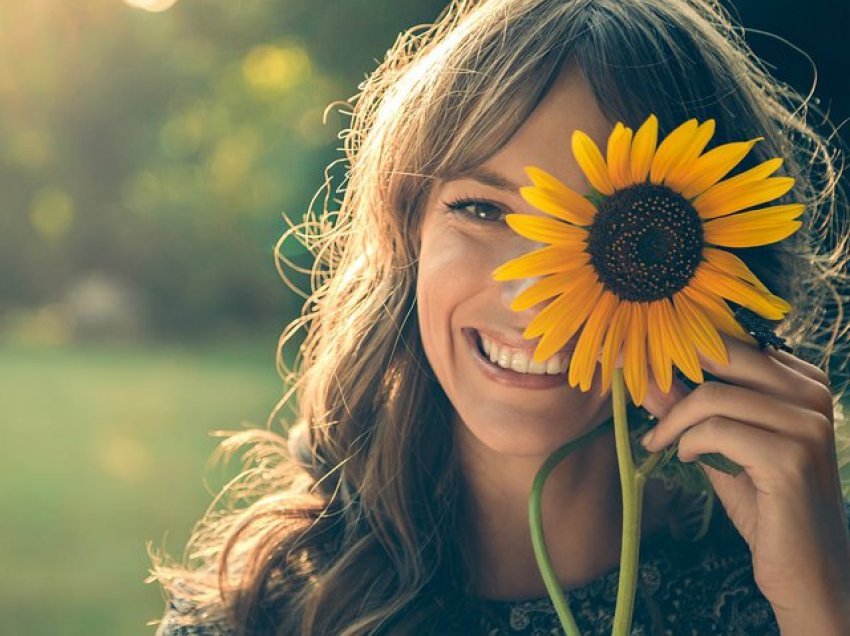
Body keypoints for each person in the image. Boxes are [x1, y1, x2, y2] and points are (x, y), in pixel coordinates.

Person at [149, 0, 850, 633]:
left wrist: (821, 610)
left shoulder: (786, 592)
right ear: (407, 234)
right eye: (483, 209)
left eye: (610, 231)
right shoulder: (261, 617)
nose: (533, 297)